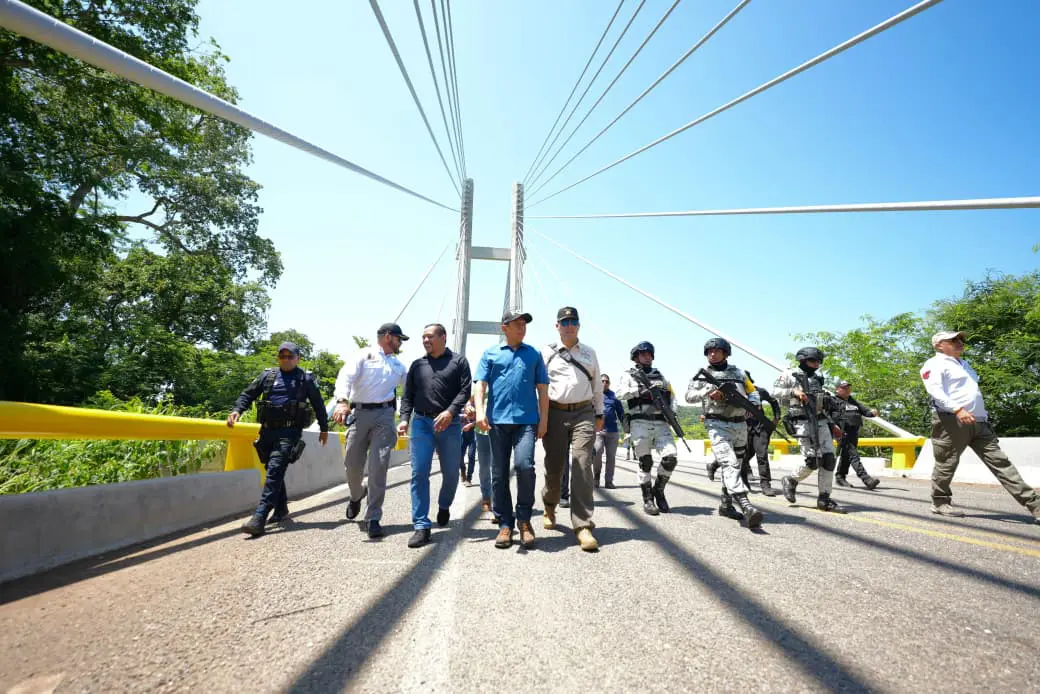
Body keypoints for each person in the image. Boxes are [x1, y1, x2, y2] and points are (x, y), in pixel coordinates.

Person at [921, 330, 1040, 523]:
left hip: (979, 422)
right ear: (938, 345)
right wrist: (958, 410)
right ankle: (940, 501)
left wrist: (982, 415)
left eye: (961, 339)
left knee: (1001, 463)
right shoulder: (934, 364)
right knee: (947, 463)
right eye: (953, 340)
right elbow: (935, 391)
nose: (960, 342)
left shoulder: (965, 365)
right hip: (951, 420)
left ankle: (1035, 505)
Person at [228, 342, 329, 537]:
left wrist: (323, 429)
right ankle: (281, 508)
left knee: (274, 471)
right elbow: (248, 394)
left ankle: (259, 517)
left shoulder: (305, 379)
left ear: (298, 358)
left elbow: (319, 405)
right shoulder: (268, 376)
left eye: (290, 356)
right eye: (282, 356)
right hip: (266, 432)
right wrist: (237, 410)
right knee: (272, 469)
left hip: (289, 433)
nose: (286, 360)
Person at [474, 310, 549, 549]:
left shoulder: (534, 354)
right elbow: (481, 386)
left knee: (525, 465)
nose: (522, 327)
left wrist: (544, 419)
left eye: (524, 323)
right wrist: (479, 411)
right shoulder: (490, 354)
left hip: (526, 421)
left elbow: (543, 390)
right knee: (498, 473)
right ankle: (506, 523)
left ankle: (525, 520)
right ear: (503, 327)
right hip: (497, 421)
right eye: (516, 323)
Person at [398, 323, 472, 548]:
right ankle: (421, 525)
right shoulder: (417, 365)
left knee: (451, 474)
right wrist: (403, 419)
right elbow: (408, 395)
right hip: (421, 423)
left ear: (443, 337)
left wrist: (451, 412)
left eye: (429, 336)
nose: (425, 340)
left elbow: (465, 390)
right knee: (419, 472)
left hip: (449, 425)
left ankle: (444, 505)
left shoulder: (458, 362)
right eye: (423, 337)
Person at [332, 323, 408, 539]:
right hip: (359, 413)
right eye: (398, 338)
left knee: (379, 465)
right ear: (387, 336)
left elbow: (411, 391)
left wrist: (405, 418)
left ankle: (373, 516)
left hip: (385, 416)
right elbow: (345, 377)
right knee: (352, 464)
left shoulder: (399, 366)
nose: (400, 343)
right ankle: (356, 495)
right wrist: (341, 401)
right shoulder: (364, 355)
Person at [540, 307, 603, 552]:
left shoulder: (589, 353)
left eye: (573, 321)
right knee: (554, 466)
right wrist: (541, 418)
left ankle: (583, 525)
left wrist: (599, 413)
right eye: (564, 321)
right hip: (555, 413)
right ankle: (549, 505)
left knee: (582, 462)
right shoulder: (546, 352)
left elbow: (597, 385)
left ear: (578, 325)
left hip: (583, 412)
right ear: (557, 325)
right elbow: (540, 386)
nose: (569, 325)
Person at [686, 338, 764, 528]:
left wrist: (753, 404)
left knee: (736, 463)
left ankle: (726, 504)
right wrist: (708, 391)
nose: (713, 354)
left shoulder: (739, 373)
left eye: (717, 351)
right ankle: (745, 505)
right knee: (729, 463)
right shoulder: (702, 375)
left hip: (740, 424)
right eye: (709, 351)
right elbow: (688, 397)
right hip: (717, 423)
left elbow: (752, 392)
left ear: (726, 353)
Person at [775, 347, 846, 513]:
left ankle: (824, 498)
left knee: (829, 458)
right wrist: (793, 391)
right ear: (802, 360)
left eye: (818, 362)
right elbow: (775, 392)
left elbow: (820, 403)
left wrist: (832, 424)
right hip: (801, 421)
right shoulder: (789, 374)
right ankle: (791, 479)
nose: (816, 364)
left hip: (821, 421)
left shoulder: (818, 377)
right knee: (812, 461)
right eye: (813, 361)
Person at [615, 341, 678, 516]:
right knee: (646, 462)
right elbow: (619, 393)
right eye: (643, 354)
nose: (646, 356)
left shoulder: (662, 377)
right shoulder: (629, 375)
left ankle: (659, 489)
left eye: (649, 354)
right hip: (639, 422)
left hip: (661, 422)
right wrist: (639, 391)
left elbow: (672, 397)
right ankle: (648, 499)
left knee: (670, 458)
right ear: (636, 357)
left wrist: (672, 414)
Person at [833, 380, 881, 490]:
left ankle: (840, 477)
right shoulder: (833, 401)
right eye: (844, 388)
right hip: (842, 432)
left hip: (853, 432)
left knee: (847, 455)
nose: (847, 390)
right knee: (853, 455)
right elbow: (828, 416)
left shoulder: (852, 401)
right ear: (837, 389)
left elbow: (865, 412)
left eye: (848, 387)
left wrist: (873, 412)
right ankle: (867, 479)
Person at [738, 372, 780, 496]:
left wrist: (776, 418)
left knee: (762, 455)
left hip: (760, 427)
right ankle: (744, 481)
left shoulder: (760, 391)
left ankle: (765, 484)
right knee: (744, 456)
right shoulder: (736, 393)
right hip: (742, 428)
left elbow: (774, 402)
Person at [594, 373, 626, 489]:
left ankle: (608, 481)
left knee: (611, 457)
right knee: (597, 453)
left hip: (612, 432)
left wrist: (627, 429)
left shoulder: (614, 397)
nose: (604, 383)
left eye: (606, 381)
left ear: (609, 383)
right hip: (598, 431)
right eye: (602, 381)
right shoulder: (594, 395)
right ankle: (596, 478)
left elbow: (621, 413)